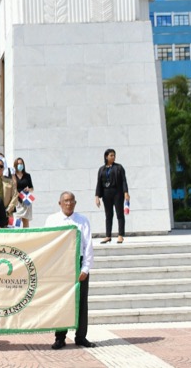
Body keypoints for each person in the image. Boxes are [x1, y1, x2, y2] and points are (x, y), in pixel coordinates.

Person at [46, 191, 95, 349]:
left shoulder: (82, 220)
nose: (68, 203)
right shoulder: (52, 220)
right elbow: (47, 244)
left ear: (75, 203)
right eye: (65, 201)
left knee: (81, 303)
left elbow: (88, 246)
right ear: (59, 203)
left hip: (78, 263)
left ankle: (81, 337)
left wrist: (85, 268)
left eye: (71, 201)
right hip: (60, 265)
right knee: (61, 302)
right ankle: (60, 337)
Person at [95, 148, 130, 244]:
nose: (113, 157)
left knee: (119, 214)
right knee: (108, 215)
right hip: (106, 193)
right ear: (106, 156)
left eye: (114, 155)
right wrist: (97, 196)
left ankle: (120, 235)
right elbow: (99, 183)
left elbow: (124, 180)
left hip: (117, 193)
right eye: (111, 155)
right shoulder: (101, 169)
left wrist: (126, 192)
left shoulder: (119, 167)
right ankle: (108, 236)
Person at [12, 157, 33, 228]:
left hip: (26, 200)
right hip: (17, 201)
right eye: (18, 164)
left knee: (26, 221)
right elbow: (12, 188)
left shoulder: (27, 176)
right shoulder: (13, 176)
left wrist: (28, 189)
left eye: (21, 164)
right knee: (16, 222)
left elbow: (32, 188)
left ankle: (26, 237)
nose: (20, 165)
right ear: (15, 165)